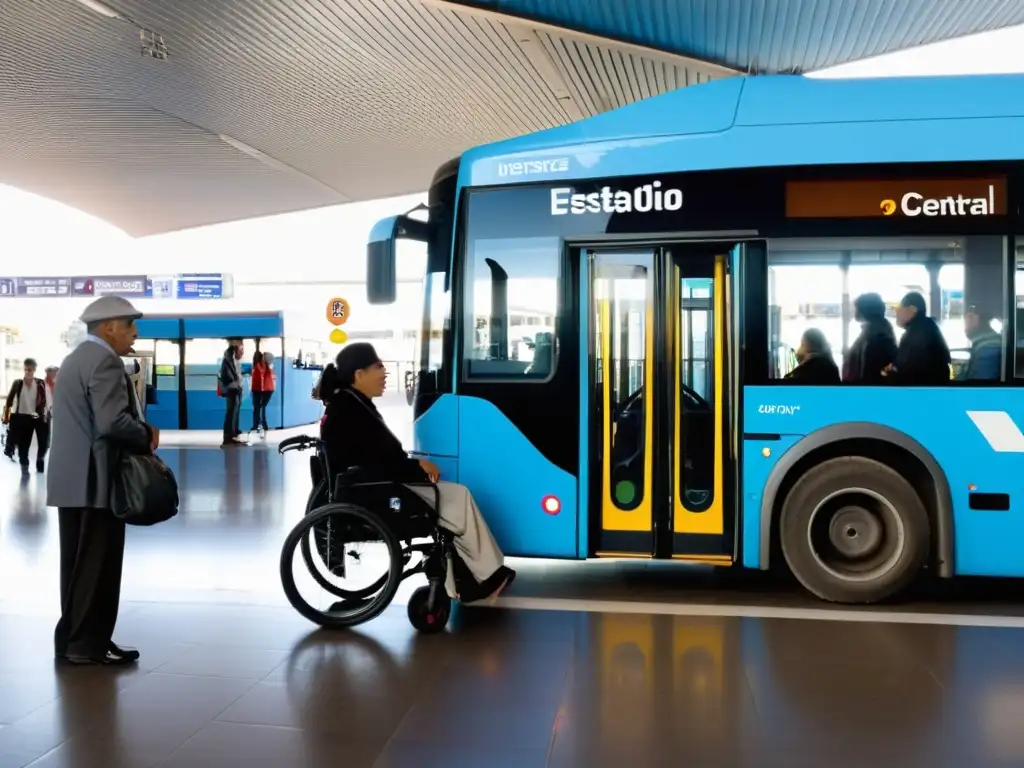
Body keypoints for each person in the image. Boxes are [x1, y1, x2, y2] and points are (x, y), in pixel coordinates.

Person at [321, 343, 515, 603]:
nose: (385, 372)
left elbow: (377, 455)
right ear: (359, 374)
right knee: (457, 497)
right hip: (377, 492)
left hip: (373, 486)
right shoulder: (352, 409)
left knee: (454, 499)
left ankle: (474, 576)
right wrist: (418, 468)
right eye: (378, 366)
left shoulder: (350, 404)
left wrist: (415, 464)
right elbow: (379, 461)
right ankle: (484, 576)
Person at [47, 296, 158, 665]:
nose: (134, 332)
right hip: (96, 482)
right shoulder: (105, 361)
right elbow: (112, 422)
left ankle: (74, 641)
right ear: (108, 325)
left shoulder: (75, 358)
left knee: (77, 567)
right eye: (130, 325)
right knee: (99, 566)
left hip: (70, 480)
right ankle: (86, 645)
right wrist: (145, 434)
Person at [885, 291, 951, 386]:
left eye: (901, 307)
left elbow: (907, 372)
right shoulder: (929, 327)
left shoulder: (915, 336)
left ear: (912, 310)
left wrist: (891, 371)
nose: (897, 311)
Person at [3, 358, 47, 474]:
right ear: (24, 369)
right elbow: (9, 401)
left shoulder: (39, 384)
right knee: (16, 443)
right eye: (26, 370)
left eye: (31, 370)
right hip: (18, 417)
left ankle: (25, 467)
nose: (28, 372)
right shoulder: (18, 383)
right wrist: (5, 417)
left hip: (31, 418)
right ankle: (23, 466)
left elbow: (44, 400)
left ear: (34, 370)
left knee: (25, 445)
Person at [843, 292, 898, 384]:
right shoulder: (876, 330)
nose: (854, 312)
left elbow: (871, 372)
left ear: (865, 311)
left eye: (857, 308)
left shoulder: (876, 336)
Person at [959, 305, 1001, 381]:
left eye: (970, 317)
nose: (966, 323)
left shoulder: (987, 351)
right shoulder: (983, 345)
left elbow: (981, 388)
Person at [219, 338, 246, 447]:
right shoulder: (228, 359)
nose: (243, 352)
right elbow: (227, 375)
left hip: (236, 388)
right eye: (241, 348)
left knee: (235, 412)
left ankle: (233, 434)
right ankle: (228, 437)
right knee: (231, 413)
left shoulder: (234, 359)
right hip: (232, 388)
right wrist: (235, 379)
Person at [250, 350, 276, 438]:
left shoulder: (261, 365)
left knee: (259, 407)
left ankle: (259, 425)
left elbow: (261, 376)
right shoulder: (264, 365)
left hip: (261, 389)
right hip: (262, 389)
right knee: (260, 407)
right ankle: (262, 425)